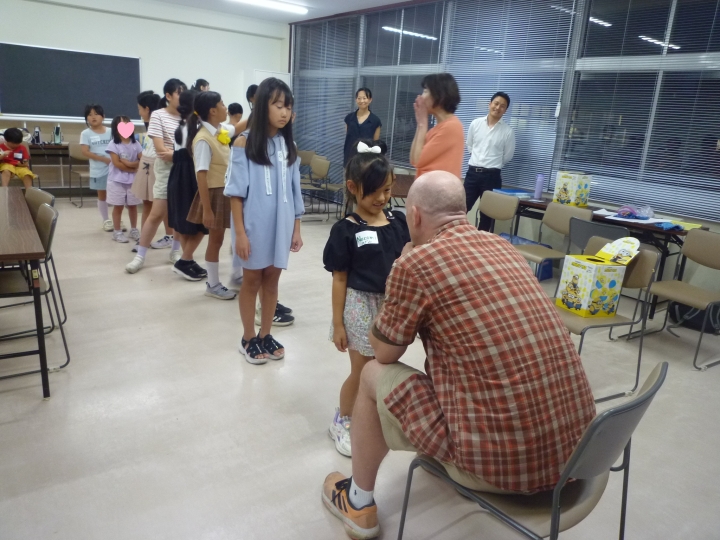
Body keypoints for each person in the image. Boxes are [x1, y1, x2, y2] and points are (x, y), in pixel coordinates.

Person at [321, 171, 597, 539]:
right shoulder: (503, 247)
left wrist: (399, 271)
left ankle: (358, 503)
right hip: (581, 458)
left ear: (414, 216)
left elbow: (384, 351)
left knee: (371, 373)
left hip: (504, 472)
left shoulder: (415, 264)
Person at [323, 140, 409, 458]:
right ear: (352, 188)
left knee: (382, 369)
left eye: (387, 190)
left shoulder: (398, 223)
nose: (382, 198)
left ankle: (370, 416)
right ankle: (343, 420)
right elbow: (339, 278)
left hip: (389, 305)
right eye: (374, 192)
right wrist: (338, 324)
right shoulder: (346, 230)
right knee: (361, 371)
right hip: (359, 306)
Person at [225, 78, 304, 364]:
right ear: (262, 107)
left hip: (281, 226)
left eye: (288, 106)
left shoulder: (289, 146)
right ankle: (248, 338)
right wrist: (240, 234)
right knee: (251, 281)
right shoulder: (244, 143)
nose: (284, 112)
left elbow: (295, 190)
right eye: (277, 105)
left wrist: (296, 228)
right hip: (254, 226)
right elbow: (235, 194)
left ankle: (266, 334)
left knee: (272, 281)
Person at [126, 78, 186, 274]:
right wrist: (181, 154)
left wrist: (177, 154)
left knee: (179, 214)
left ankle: (175, 251)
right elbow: (161, 150)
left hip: (184, 169)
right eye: (179, 93)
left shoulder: (188, 117)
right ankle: (140, 256)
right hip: (165, 170)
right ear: (168, 96)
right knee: (156, 213)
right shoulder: (158, 115)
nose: (183, 97)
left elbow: (192, 148)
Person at [185, 91, 237, 300]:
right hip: (215, 193)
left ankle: (237, 275)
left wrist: (260, 107)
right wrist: (207, 209)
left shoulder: (219, 130)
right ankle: (213, 284)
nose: (226, 107)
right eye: (222, 104)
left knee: (231, 236)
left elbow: (239, 127)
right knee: (216, 240)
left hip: (226, 191)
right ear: (213, 111)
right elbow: (201, 176)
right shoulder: (203, 139)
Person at [166, 89, 209, 282]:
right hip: (192, 175)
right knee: (200, 222)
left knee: (185, 223)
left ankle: (187, 259)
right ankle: (185, 260)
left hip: (178, 174)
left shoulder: (182, 125)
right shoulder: (199, 126)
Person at [464, 91, 516, 231]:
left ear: (505, 110)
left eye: (502, 106)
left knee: (487, 216)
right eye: (496, 103)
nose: (498, 108)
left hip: (492, 177)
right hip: (472, 174)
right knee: (461, 209)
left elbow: (507, 156)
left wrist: (491, 165)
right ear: (490, 104)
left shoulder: (507, 132)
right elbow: (470, 145)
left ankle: (481, 243)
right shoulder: (475, 124)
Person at [132, 90, 173, 249]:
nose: (139, 112)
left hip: (157, 164)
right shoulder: (150, 124)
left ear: (147, 109)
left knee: (162, 204)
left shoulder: (161, 123)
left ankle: (168, 236)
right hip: (146, 163)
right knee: (148, 204)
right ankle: (145, 239)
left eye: (140, 109)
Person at [410, 73, 465, 179]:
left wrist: (422, 124)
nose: (421, 97)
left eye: (425, 91)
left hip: (439, 188)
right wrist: (420, 123)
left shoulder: (451, 127)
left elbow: (418, 160)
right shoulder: (438, 128)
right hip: (429, 186)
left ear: (439, 95)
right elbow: (413, 159)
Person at [105, 116, 143, 243]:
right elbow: (117, 163)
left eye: (127, 123)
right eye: (122, 124)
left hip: (133, 181)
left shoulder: (136, 144)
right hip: (117, 181)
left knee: (133, 206)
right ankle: (117, 232)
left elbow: (142, 159)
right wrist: (133, 167)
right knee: (118, 206)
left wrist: (129, 164)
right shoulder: (113, 144)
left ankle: (134, 230)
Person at [80, 104, 113, 229]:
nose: (93, 117)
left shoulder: (111, 131)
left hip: (114, 168)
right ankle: (106, 220)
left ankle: (117, 219)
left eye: (96, 114)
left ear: (103, 116)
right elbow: (85, 151)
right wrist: (103, 159)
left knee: (117, 194)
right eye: (89, 115)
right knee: (102, 194)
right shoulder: (85, 133)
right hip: (98, 169)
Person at [343, 88, 382, 166]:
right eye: (359, 98)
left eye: (364, 98)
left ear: (370, 100)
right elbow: (348, 136)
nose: (362, 101)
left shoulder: (375, 121)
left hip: (366, 161)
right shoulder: (349, 118)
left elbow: (375, 143)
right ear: (356, 100)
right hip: (349, 158)